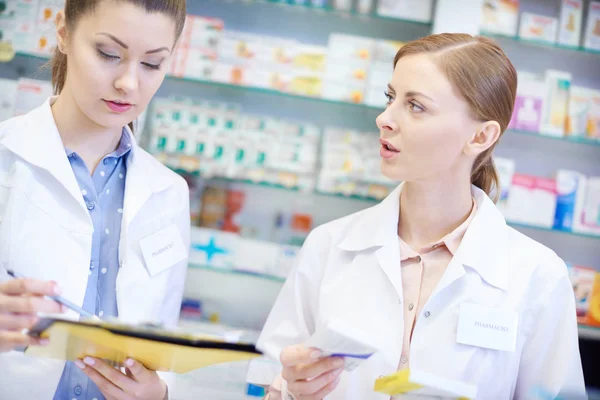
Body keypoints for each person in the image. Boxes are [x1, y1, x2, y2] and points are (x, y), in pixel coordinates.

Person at [256, 33, 586, 400]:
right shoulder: (329, 246)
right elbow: (271, 378)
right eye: (390, 97)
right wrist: (291, 390)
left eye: (416, 106)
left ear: (480, 136)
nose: (384, 118)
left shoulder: (537, 276)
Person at [0, 1, 189, 399]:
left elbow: (164, 344)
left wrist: (160, 393)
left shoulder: (169, 192)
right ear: (64, 34)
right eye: (108, 54)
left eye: (152, 64)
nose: (128, 83)